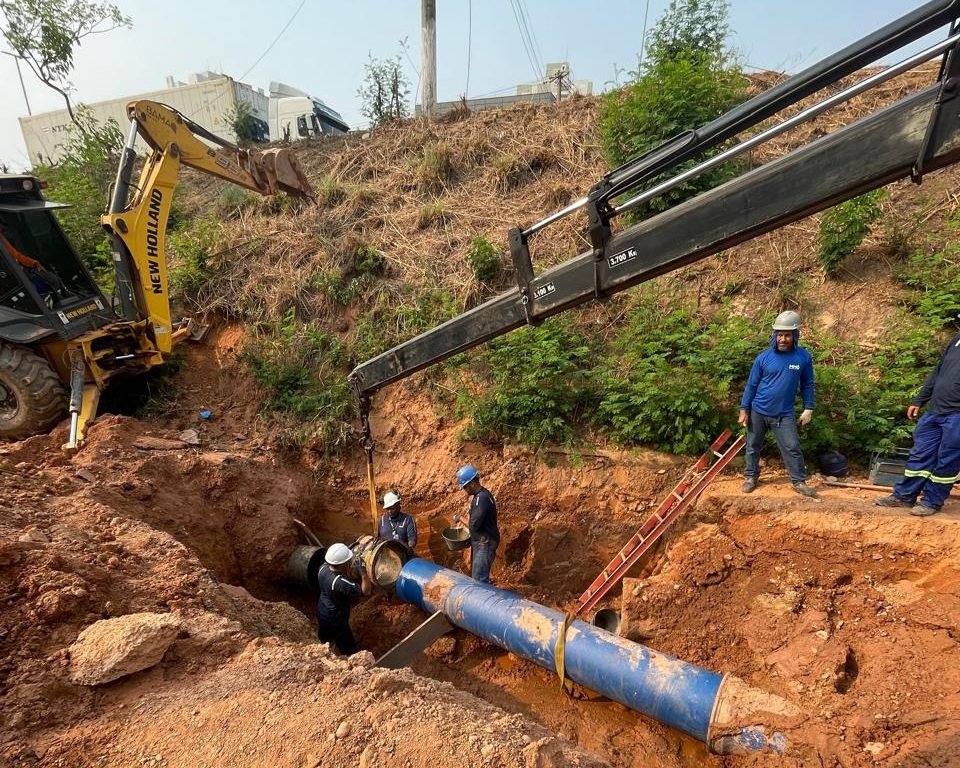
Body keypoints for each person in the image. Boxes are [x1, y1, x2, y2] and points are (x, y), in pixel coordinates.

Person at [875, 329, 960, 516]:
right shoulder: (957, 339)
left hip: (957, 416)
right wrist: (919, 400)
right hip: (935, 411)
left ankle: (932, 501)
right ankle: (904, 496)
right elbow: (938, 371)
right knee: (920, 454)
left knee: (947, 460)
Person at [738, 310, 817, 497]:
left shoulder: (803, 357)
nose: (783, 339)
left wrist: (809, 408)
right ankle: (751, 477)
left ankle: (799, 481)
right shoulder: (763, 358)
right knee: (753, 445)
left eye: (787, 335)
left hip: (784, 414)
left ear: (795, 335)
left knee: (792, 447)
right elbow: (752, 384)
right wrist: (744, 409)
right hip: (758, 410)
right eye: (779, 335)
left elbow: (807, 384)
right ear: (775, 335)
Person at [314, 542, 371, 655]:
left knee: (324, 638)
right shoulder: (340, 583)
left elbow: (332, 560)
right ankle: (350, 660)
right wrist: (363, 573)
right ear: (343, 563)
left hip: (322, 611)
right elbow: (366, 591)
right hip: (337, 619)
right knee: (348, 647)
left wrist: (345, 551)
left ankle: (324, 650)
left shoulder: (323, 568)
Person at [454, 464, 499, 584]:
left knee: (479, 580)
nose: (464, 490)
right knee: (478, 577)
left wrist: (460, 518)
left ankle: (484, 601)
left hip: (485, 543)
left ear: (472, 484)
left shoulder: (481, 499)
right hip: (482, 542)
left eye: (465, 487)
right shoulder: (480, 497)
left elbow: (474, 525)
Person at [376, 490, 418, 555]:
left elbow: (412, 540)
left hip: (403, 556)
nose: (389, 511)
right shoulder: (381, 521)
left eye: (392, 508)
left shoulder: (408, 520)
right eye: (387, 509)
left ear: (398, 505)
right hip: (385, 557)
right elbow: (377, 540)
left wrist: (408, 548)